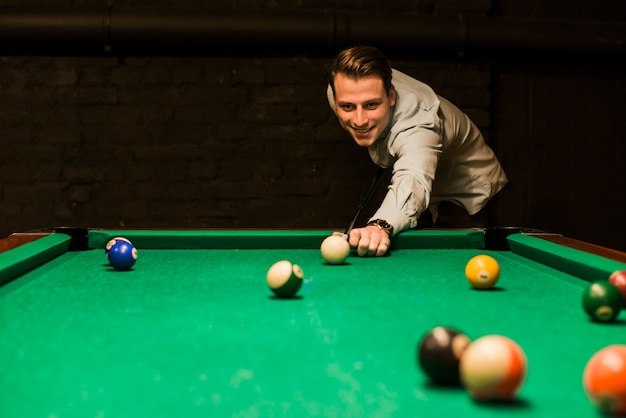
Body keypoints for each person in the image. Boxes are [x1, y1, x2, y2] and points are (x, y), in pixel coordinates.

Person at [327, 45, 508, 257]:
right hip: (426, 195)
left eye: (371, 105)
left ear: (391, 96)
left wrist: (379, 225)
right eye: (348, 107)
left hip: (465, 190)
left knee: (451, 265)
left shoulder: (418, 123)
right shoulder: (338, 89)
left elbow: (413, 177)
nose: (359, 120)